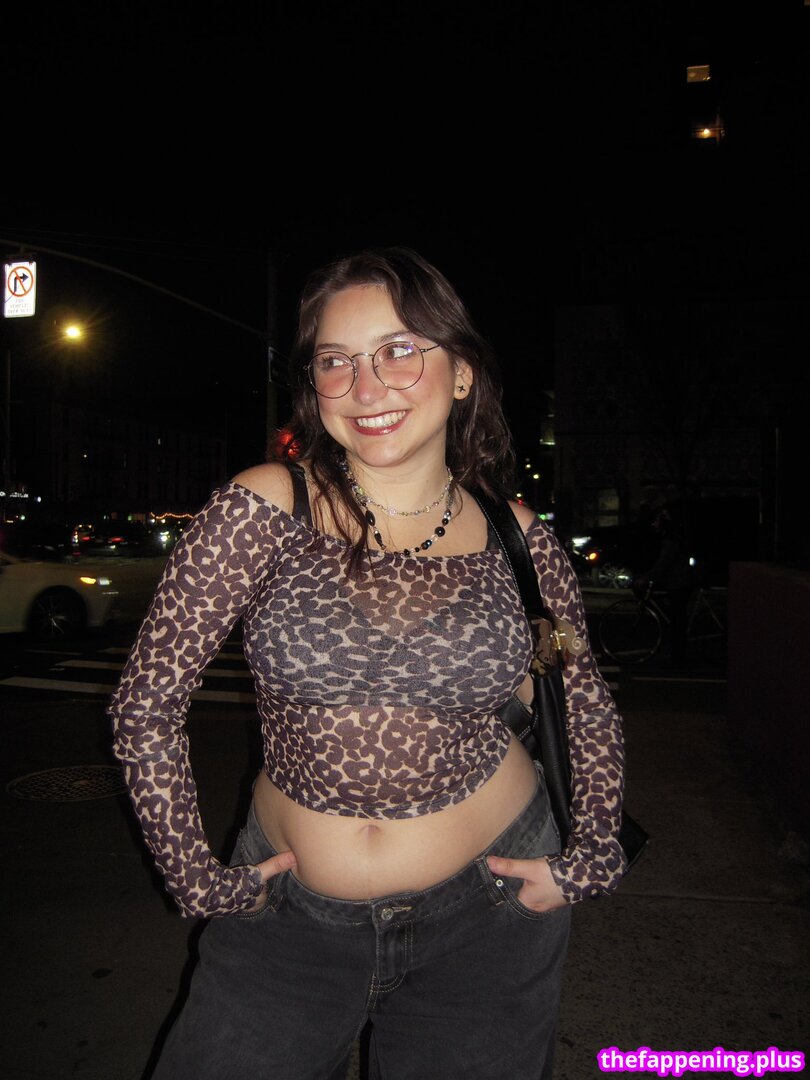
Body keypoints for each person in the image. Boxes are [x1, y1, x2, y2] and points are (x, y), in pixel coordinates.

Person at [107, 246, 627, 1080]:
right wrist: (193, 874)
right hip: (286, 920)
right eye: (335, 361)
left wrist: (593, 853)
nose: (365, 385)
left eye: (399, 351)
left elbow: (582, 692)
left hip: (491, 915)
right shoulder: (265, 505)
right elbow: (147, 702)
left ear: (461, 372)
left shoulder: (520, 539)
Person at [633, 501, 695, 664]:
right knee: (676, 617)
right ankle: (678, 655)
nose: (654, 525)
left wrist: (647, 578)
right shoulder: (673, 538)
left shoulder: (671, 540)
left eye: (657, 521)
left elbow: (664, 563)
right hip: (678, 581)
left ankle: (678, 659)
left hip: (679, 583)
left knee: (677, 620)